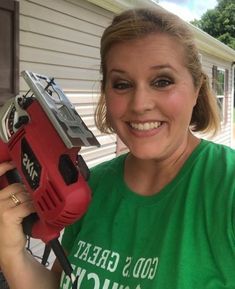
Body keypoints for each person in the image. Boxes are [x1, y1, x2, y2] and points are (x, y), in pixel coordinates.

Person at [0, 6, 235, 289]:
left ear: (197, 88)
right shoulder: (90, 188)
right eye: (122, 84)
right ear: (106, 92)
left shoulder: (226, 185)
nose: (139, 104)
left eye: (162, 81)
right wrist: (11, 252)